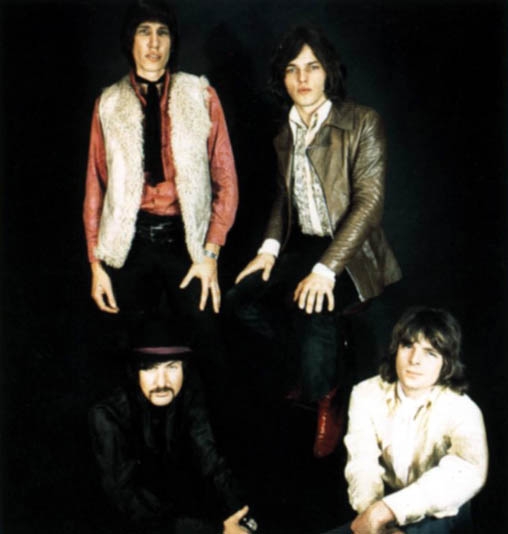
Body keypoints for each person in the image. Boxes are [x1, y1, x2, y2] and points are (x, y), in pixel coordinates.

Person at [227, 26, 401, 457]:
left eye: (312, 67)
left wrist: (326, 270)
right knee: (239, 301)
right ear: (282, 78)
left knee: (313, 304)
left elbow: (369, 204)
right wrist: (268, 251)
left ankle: (326, 393)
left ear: (329, 73)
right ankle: (307, 365)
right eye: (292, 69)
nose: (302, 78)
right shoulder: (284, 133)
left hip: (353, 254)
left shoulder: (362, 122)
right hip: (303, 245)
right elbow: (283, 200)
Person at [83, 1, 238, 389]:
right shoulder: (108, 102)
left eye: (162, 33)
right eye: (144, 32)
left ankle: (207, 429)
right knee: (118, 352)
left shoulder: (200, 94)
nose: (154, 43)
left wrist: (210, 254)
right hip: (128, 244)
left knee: (211, 348)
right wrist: (96, 265)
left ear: (172, 41)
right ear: (130, 41)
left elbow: (226, 180)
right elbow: (95, 188)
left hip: (187, 244)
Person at [324, 307, 488, 534]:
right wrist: (375, 519)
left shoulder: (462, 409)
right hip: (381, 506)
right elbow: (362, 464)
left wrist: (387, 511)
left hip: (442, 512)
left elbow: (466, 472)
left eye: (430, 353)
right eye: (408, 346)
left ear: (446, 363)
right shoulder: (365, 393)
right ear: (396, 349)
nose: (414, 360)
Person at [89, 324, 257, 534]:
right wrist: (216, 531)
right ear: (135, 372)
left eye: (172, 367)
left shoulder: (188, 395)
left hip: (170, 509)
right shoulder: (107, 415)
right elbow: (125, 498)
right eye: (150, 368)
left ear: (184, 369)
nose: (162, 382)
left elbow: (211, 460)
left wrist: (242, 515)